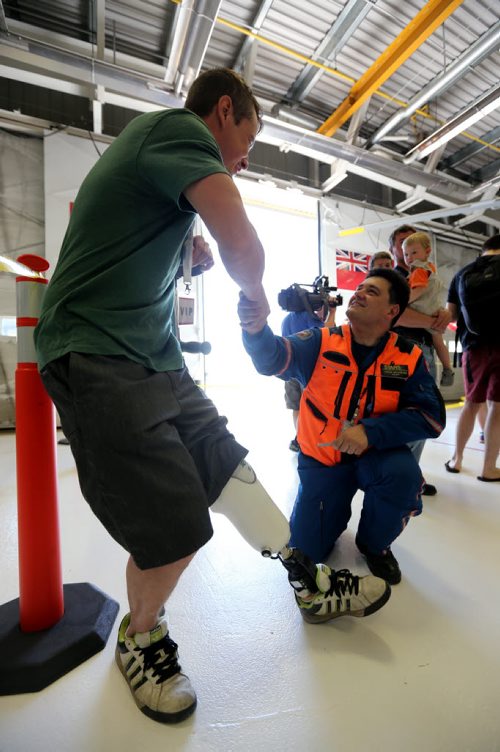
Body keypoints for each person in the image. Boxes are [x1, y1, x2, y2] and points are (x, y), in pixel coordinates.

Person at [34, 68, 389, 725]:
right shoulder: (177, 130)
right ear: (223, 112)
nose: (245, 159)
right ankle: (140, 637)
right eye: (246, 140)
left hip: (154, 360)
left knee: (231, 468)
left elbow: (148, 240)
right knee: (174, 526)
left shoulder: (162, 169)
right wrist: (253, 297)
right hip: (97, 353)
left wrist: (183, 257)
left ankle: (308, 583)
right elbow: (242, 242)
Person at [239, 268, 445, 586]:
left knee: (403, 476)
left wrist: (370, 433)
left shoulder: (408, 357)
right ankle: (329, 519)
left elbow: (432, 417)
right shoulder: (321, 341)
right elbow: (274, 359)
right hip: (323, 462)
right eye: (360, 287)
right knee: (307, 551)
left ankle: (374, 546)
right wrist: (255, 330)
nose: (359, 292)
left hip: (375, 456)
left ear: (392, 311)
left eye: (372, 291)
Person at [389, 224, 451, 496]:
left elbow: (439, 317)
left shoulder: (425, 275)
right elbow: (397, 314)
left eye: (413, 245)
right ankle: (399, 477)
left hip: (425, 348)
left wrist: (444, 317)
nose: (408, 251)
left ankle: (409, 474)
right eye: (403, 245)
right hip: (401, 349)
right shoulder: (393, 280)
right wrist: (434, 321)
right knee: (405, 416)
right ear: (394, 250)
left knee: (423, 415)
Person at [445, 234, 500, 481]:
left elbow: (452, 315)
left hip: (474, 347)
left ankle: (457, 459)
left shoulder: (463, 273)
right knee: (497, 408)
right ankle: (489, 468)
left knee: (472, 403)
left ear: (484, 249)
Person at [281, 296, 336, 452]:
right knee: (308, 407)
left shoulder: (286, 320)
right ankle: (307, 441)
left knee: (296, 406)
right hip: (307, 371)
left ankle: (299, 439)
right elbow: (328, 333)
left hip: (289, 370)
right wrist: (332, 313)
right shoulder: (309, 317)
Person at [402, 231, 455, 387]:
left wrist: (404, 301)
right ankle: (447, 369)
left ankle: (447, 369)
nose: (409, 257)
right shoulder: (430, 268)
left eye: (414, 252)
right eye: (406, 254)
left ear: (427, 251)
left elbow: (419, 290)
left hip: (422, 309)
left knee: (438, 341)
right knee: (439, 342)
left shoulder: (419, 270)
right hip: (433, 309)